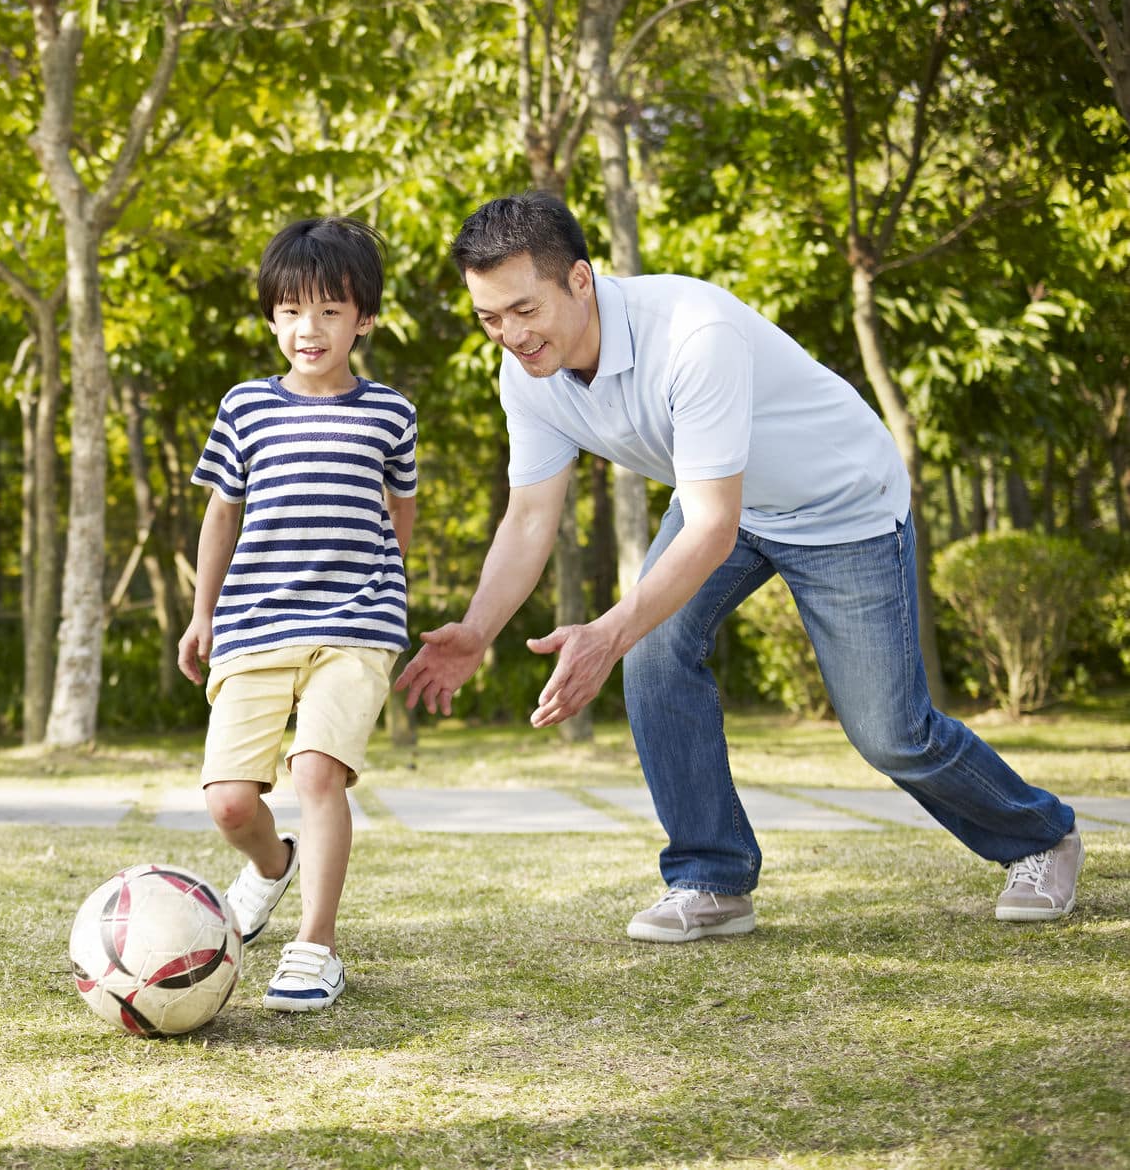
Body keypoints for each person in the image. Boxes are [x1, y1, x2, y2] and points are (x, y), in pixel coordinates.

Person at [396, 191, 1082, 941]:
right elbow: (529, 518)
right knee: (654, 655)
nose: (510, 335)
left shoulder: (692, 332)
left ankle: (1043, 837)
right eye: (490, 318)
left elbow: (712, 529)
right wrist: (477, 628)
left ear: (581, 281)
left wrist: (609, 629)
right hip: (723, 499)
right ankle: (710, 876)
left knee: (890, 732)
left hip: (838, 505)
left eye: (524, 310)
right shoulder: (529, 376)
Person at [177, 216, 417, 1011]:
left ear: (365, 318)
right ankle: (273, 867)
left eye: (327, 311)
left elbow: (399, 512)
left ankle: (317, 947)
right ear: (272, 316)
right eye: (288, 311)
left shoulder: (391, 413)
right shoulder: (245, 407)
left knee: (317, 771)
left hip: (356, 624)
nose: (305, 329)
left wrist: (388, 585)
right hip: (253, 625)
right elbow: (221, 515)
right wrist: (202, 614)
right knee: (229, 801)